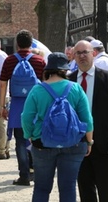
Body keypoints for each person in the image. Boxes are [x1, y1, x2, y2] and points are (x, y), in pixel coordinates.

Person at [22, 52, 93, 202]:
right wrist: (89, 141)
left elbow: (26, 117)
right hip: (73, 142)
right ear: (65, 70)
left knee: (41, 187)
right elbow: (87, 118)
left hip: (42, 141)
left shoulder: (37, 90)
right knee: (68, 187)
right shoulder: (76, 88)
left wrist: (30, 135)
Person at [69, 40, 108, 202]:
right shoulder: (70, 80)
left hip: (103, 141)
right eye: (78, 53)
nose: (82, 57)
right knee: (85, 187)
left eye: (85, 52)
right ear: (74, 57)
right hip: (78, 143)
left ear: (93, 53)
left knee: (106, 188)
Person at [0, 29, 46, 186]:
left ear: (17, 44)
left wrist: (2, 107)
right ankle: (37, 172)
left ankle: (24, 175)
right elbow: (46, 85)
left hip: (18, 104)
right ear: (31, 43)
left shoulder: (10, 60)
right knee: (36, 137)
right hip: (37, 104)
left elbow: (3, 84)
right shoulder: (40, 61)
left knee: (20, 140)